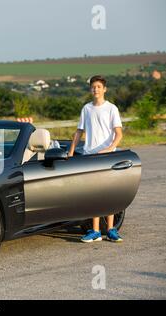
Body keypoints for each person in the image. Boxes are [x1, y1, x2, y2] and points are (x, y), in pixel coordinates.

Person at [67, 75, 123, 243]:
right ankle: (96, 231)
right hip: (89, 156)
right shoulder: (86, 109)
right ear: (90, 89)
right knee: (94, 194)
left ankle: (111, 230)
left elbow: (119, 134)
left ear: (104, 89)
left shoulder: (111, 108)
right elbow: (79, 132)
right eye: (93, 87)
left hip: (107, 157)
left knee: (108, 193)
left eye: (99, 86)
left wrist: (108, 149)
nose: (95, 89)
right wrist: (70, 152)